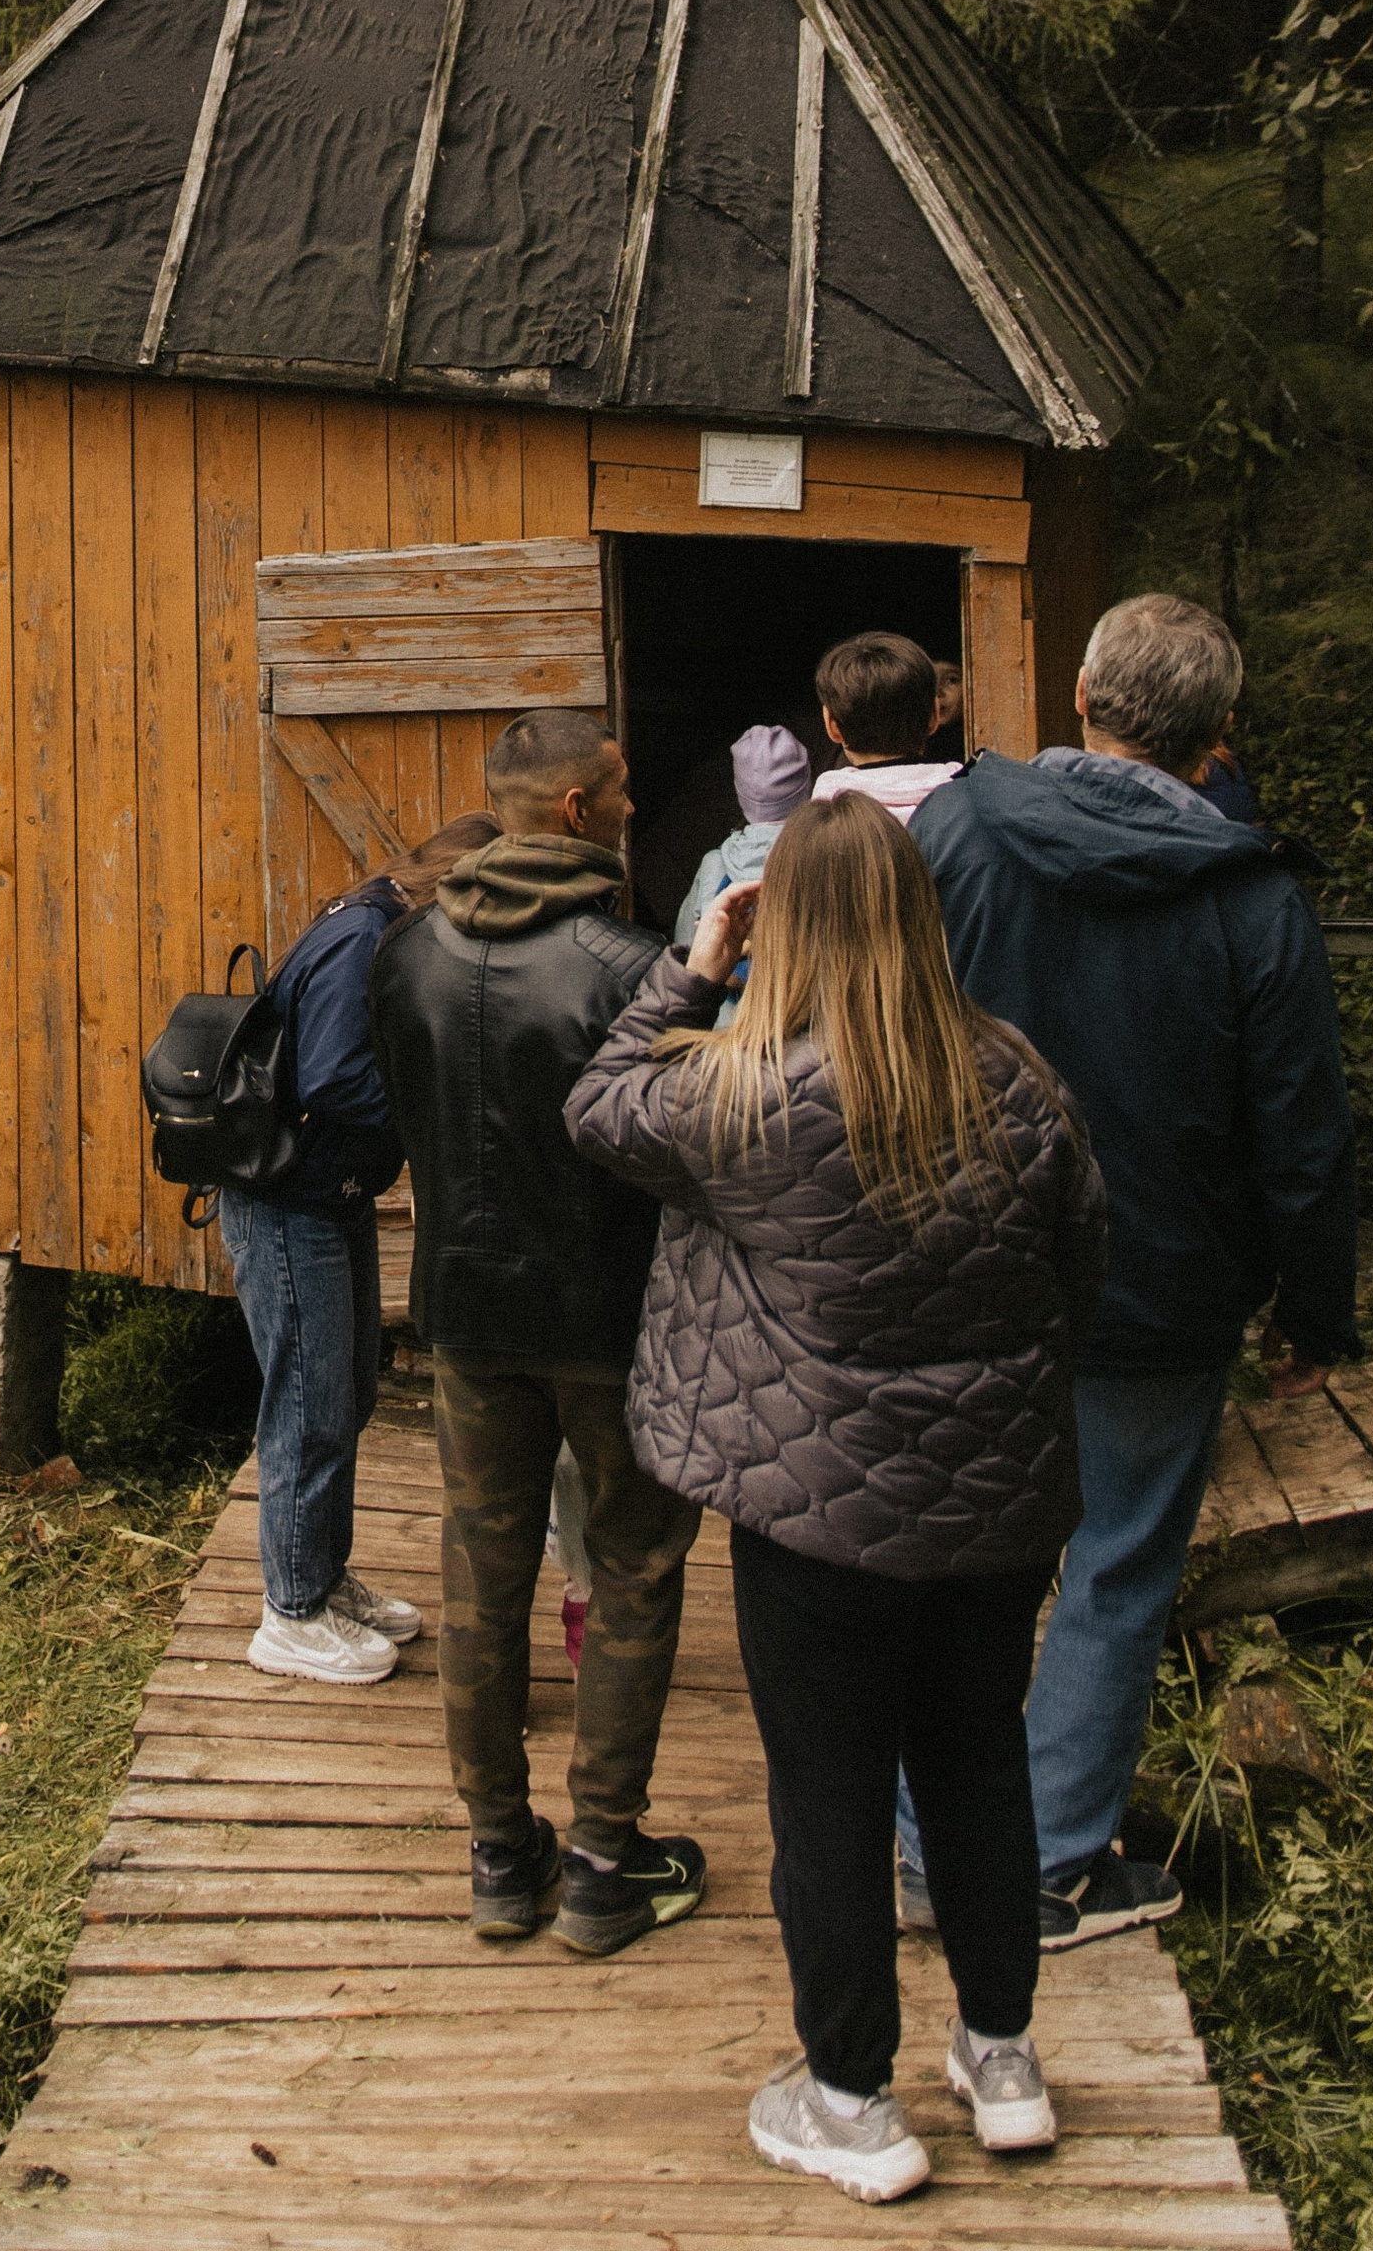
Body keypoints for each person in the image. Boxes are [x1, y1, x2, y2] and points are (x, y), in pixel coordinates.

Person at [568, 795, 1107, 2207]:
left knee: (830, 1797)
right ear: (923, 916)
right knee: (980, 1769)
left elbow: (597, 1107)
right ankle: (1004, 2061)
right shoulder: (1018, 1081)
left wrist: (694, 966)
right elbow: (1080, 1264)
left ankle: (853, 2099)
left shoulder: (744, 1095)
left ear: (782, 922)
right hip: (994, 1506)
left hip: (815, 1520)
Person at [906, 591, 1360, 1945]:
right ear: (1218, 733)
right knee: (1112, 1570)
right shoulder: (1251, 895)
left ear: (1082, 697)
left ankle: (923, 1846)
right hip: (1157, 1290)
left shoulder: (953, 834)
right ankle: (1045, 1863)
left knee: (951, 1553)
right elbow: (1301, 1130)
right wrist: (1313, 1313)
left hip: (959, 1264)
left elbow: (869, 1028)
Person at [369, 708, 707, 1958]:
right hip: (611, 1321)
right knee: (631, 1567)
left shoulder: (404, 953)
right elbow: (681, 1151)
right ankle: (607, 1859)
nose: (630, 806)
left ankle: (502, 1856)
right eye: (618, 789)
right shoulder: (635, 967)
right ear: (579, 812)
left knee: (480, 1571)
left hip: (464, 1310)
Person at [227, 812, 499, 1687]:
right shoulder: (362, 937)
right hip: (287, 1205)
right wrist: (444, 1107)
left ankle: (320, 1575)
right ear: (454, 884)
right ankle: (290, 1614)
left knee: (345, 1392)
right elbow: (335, 1075)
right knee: (309, 1404)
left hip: (326, 1195)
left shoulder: (376, 923)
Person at [673, 723, 812, 952]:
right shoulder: (826, 854)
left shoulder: (715, 866)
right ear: (807, 786)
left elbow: (685, 951)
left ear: (740, 793)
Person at [810, 632, 962, 819]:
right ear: (933, 716)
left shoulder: (820, 817)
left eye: (951, 680)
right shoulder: (970, 798)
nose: (940, 692)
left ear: (832, 726)